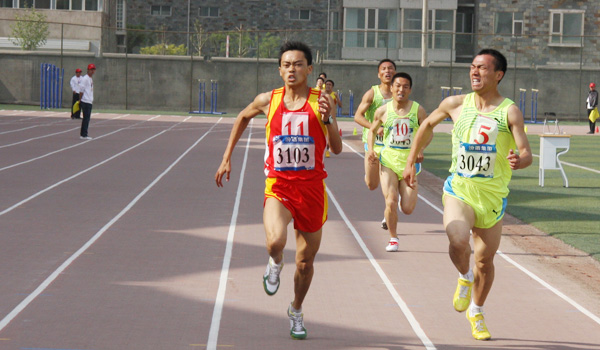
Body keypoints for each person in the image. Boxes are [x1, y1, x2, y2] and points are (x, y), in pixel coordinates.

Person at [215, 41, 342, 340]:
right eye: (286, 65)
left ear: (309, 69)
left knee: (305, 262)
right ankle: (274, 263)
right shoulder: (268, 100)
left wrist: (328, 118)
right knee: (275, 242)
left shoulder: (322, 101)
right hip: (279, 186)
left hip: (311, 191)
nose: (292, 70)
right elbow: (242, 117)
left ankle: (296, 309)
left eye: (298, 64)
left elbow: (336, 148)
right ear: (280, 69)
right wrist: (226, 157)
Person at [402, 49, 532, 340]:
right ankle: (463, 276)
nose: (475, 72)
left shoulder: (509, 111)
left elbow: (526, 153)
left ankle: (477, 310)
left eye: (482, 68)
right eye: (472, 67)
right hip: (460, 189)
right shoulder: (455, 104)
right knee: (458, 238)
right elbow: (425, 125)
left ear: (498, 75)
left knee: (485, 262)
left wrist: (519, 160)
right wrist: (411, 160)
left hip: (493, 197)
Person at [367, 72, 428, 252]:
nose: (401, 89)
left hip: (409, 164)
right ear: (392, 88)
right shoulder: (383, 110)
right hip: (389, 161)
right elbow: (372, 130)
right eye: (398, 86)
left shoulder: (418, 110)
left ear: (410, 90)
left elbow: (428, 131)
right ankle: (393, 238)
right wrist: (371, 149)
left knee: (407, 208)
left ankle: (402, 195)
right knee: (391, 201)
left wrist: (421, 150)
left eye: (405, 86)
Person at [354, 59, 396, 233]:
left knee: (389, 186)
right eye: (384, 69)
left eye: (391, 69)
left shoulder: (400, 93)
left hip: (392, 146)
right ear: (379, 74)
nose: (388, 71)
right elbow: (358, 116)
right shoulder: (372, 93)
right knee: (372, 184)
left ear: (395, 72)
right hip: (373, 145)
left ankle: (389, 212)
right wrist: (374, 127)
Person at [79, 63, 96, 140]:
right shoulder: (85, 78)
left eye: (93, 70)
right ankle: (84, 134)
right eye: (91, 70)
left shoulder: (90, 79)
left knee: (87, 118)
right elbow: (81, 90)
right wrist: (80, 100)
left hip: (89, 100)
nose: (92, 71)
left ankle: (83, 133)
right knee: (86, 118)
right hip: (85, 101)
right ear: (88, 70)